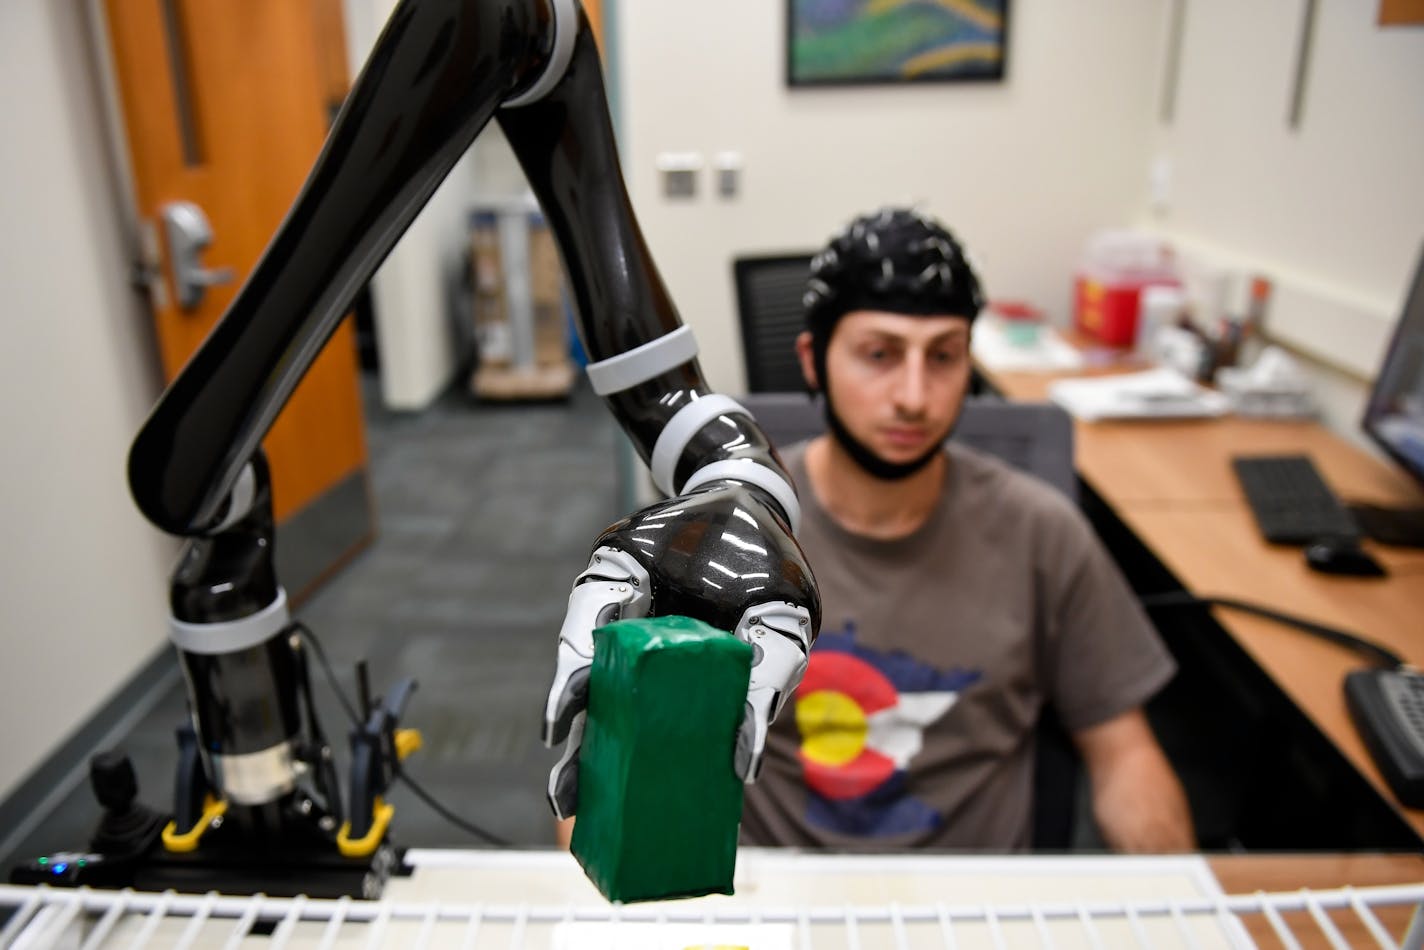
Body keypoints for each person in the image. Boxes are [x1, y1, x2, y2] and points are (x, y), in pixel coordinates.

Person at [738, 208, 1194, 852]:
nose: (915, 396)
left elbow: (1125, 756)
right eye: (879, 355)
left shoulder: (1042, 534)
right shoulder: (732, 537)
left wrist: (1177, 907)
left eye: (944, 357)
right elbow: (628, 757)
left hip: (977, 913)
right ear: (814, 361)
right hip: (774, 910)